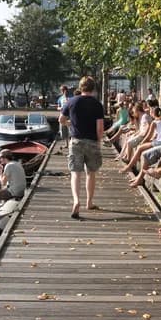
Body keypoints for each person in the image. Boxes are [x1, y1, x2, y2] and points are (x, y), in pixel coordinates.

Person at [60, 75, 105, 219]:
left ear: (80, 87)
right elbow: (100, 128)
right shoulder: (97, 104)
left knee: (75, 173)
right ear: (93, 88)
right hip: (92, 141)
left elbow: (61, 119)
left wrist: (69, 124)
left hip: (76, 141)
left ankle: (76, 200)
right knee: (91, 173)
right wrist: (99, 141)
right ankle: (89, 202)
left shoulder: (72, 101)